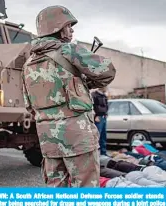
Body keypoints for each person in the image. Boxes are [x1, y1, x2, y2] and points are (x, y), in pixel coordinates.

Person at [22, 5, 116, 187]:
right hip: (77, 137)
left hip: (48, 140)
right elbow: (108, 72)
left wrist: (76, 83)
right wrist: (85, 84)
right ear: (56, 27)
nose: (71, 30)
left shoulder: (28, 64)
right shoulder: (69, 50)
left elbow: (29, 105)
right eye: (68, 25)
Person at [91, 87, 109, 156]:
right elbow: (91, 106)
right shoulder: (94, 95)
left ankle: (103, 154)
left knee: (103, 136)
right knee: (97, 136)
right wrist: (95, 116)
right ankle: (95, 155)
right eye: (106, 86)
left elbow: (106, 106)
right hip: (98, 118)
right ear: (102, 86)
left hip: (104, 117)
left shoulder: (104, 96)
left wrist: (106, 114)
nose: (107, 88)